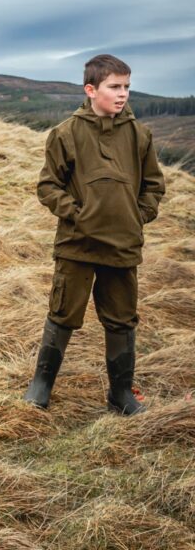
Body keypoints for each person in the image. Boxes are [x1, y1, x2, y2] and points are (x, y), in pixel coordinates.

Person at [24, 53, 165, 415]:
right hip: (77, 245)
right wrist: (77, 215)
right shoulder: (66, 133)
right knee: (62, 314)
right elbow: (48, 186)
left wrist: (138, 216)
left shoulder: (140, 135)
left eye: (127, 87)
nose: (123, 95)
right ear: (91, 89)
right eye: (114, 87)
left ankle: (121, 395)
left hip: (123, 247)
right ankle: (41, 386)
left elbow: (153, 186)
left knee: (121, 319)